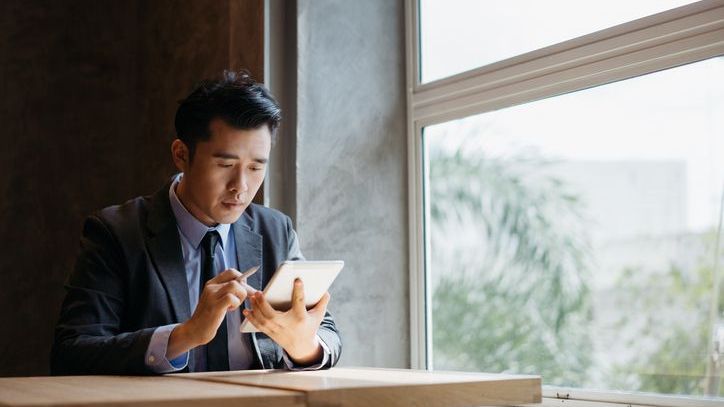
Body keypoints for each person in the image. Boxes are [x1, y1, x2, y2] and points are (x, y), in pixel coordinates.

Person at [51, 71, 341, 375]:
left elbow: (328, 334)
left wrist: (303, 346)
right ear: (181, 154)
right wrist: (185, 335)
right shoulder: (116, 233)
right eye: (225, 165)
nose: (240, 186)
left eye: (256, 167)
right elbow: (71, 353)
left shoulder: (274, 230)